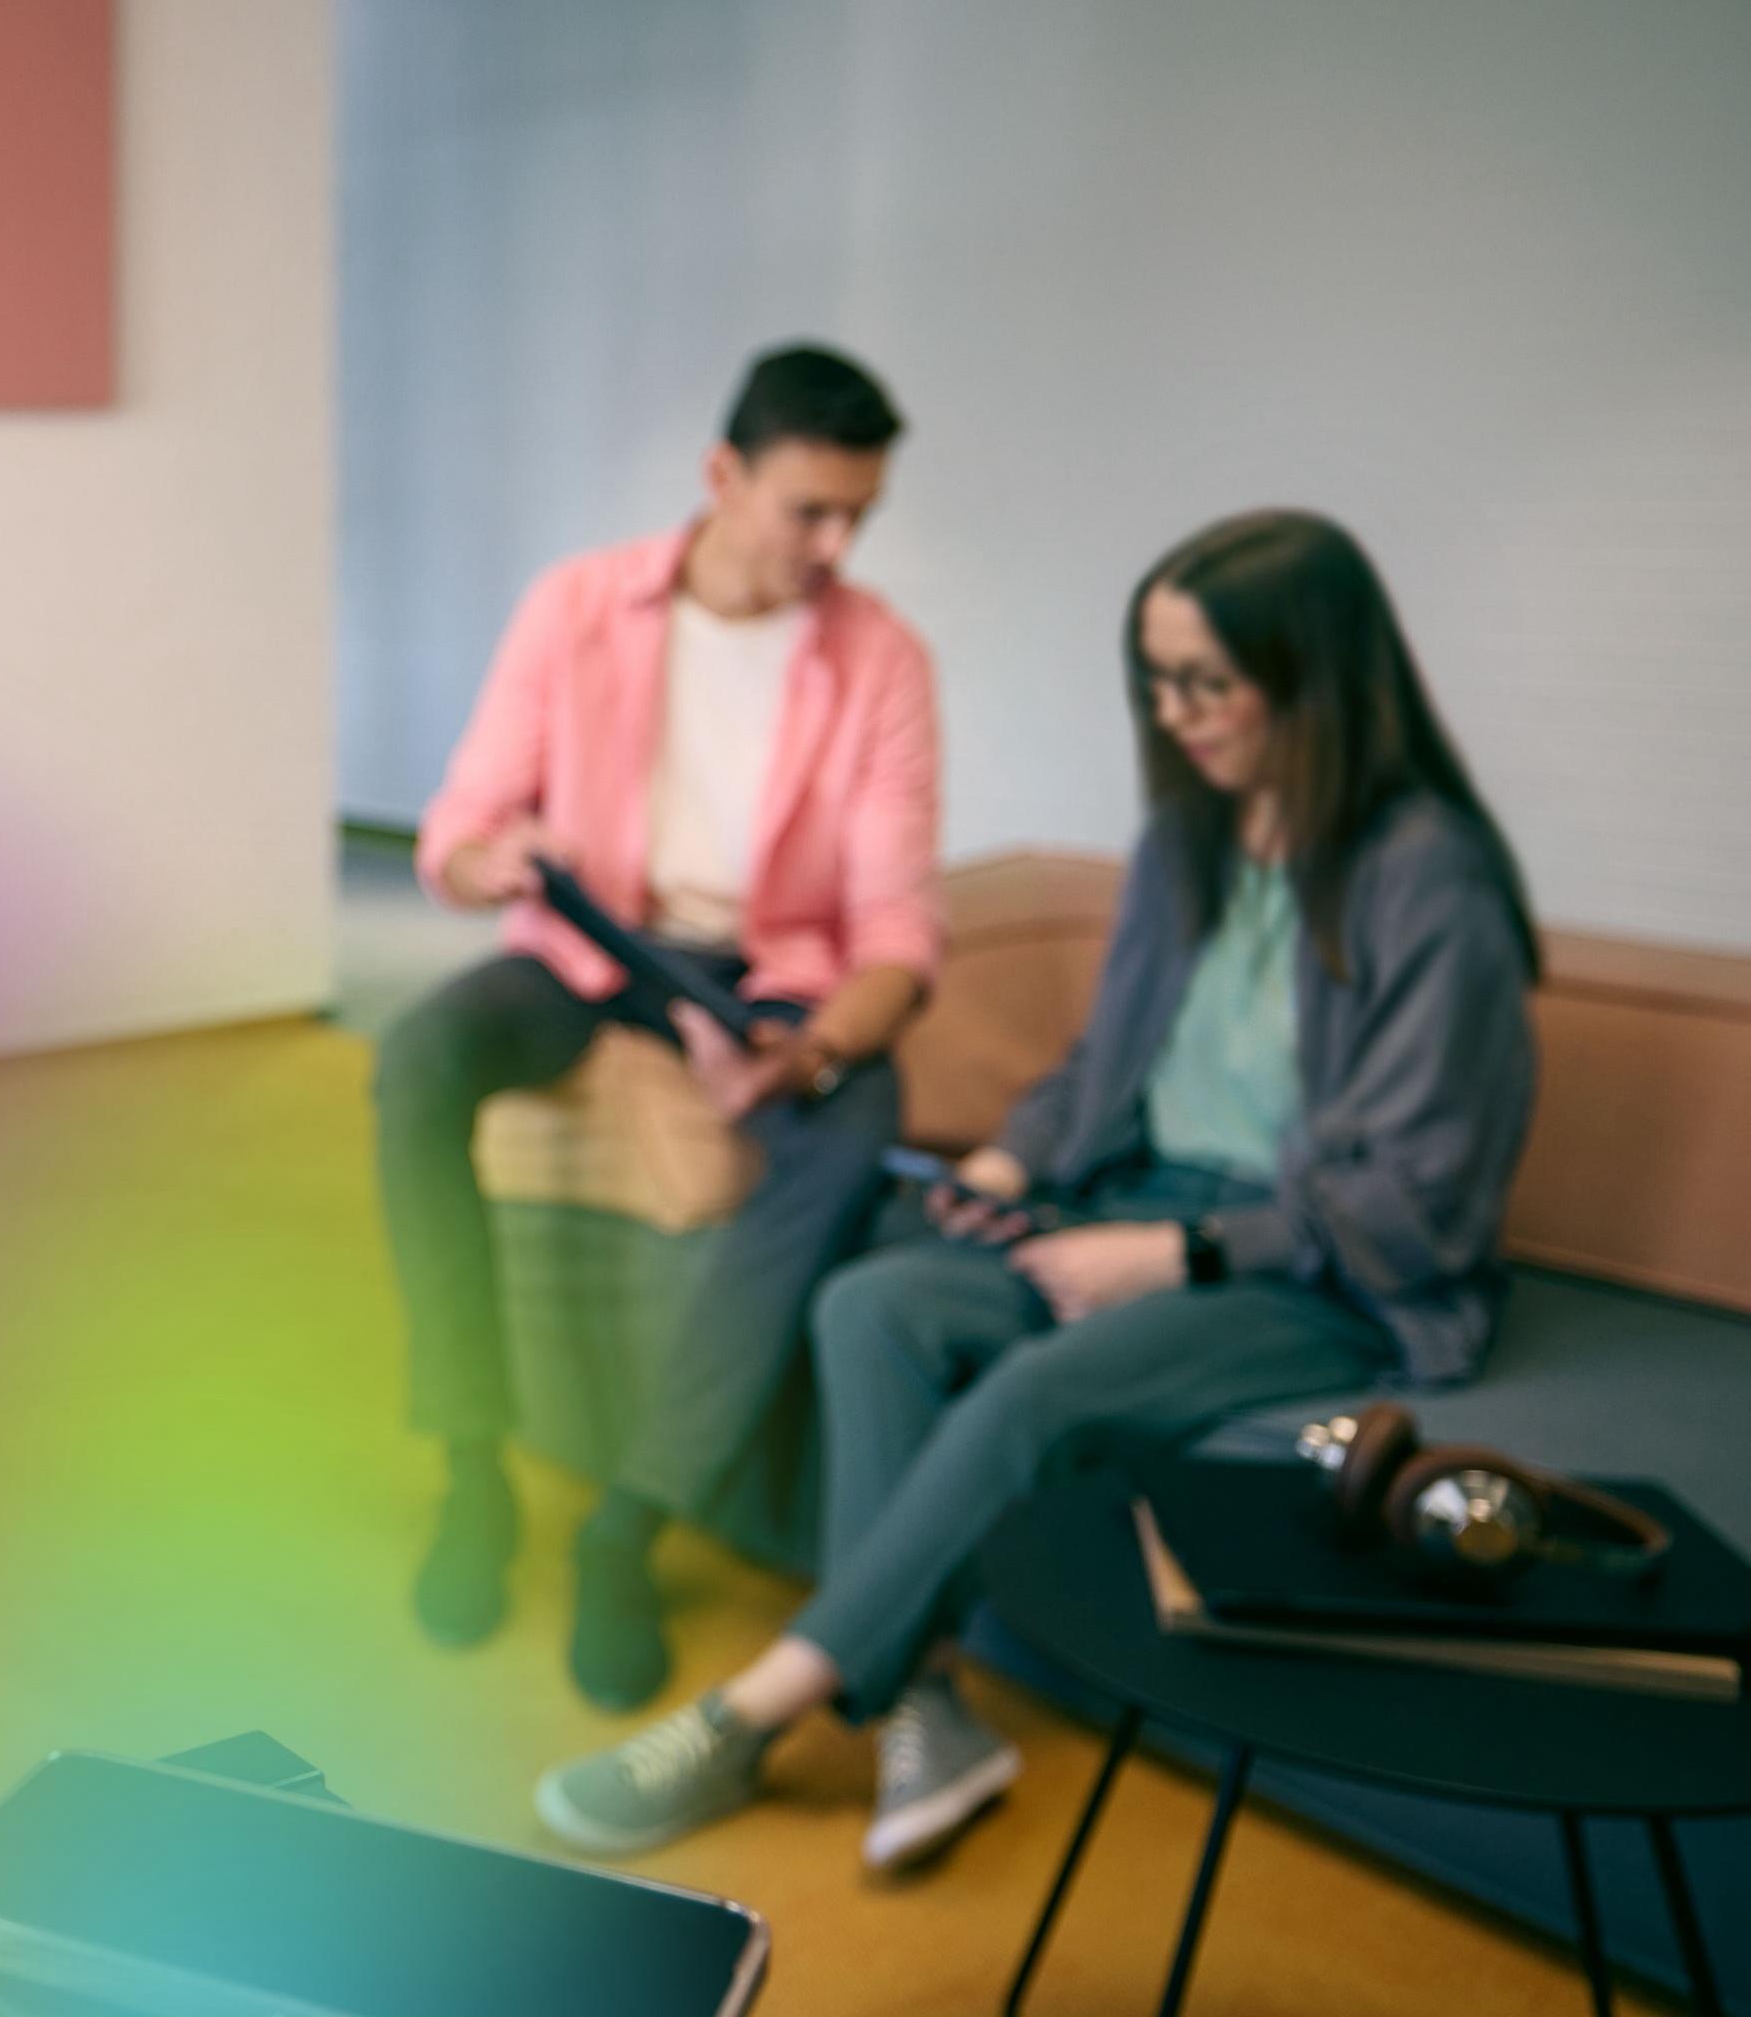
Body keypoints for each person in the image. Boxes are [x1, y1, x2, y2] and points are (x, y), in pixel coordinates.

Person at [533, 509, 1541, 1873]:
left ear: (1311, 675)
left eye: (1205, 683)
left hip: (1327, 1277)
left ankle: (757, 1708)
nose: (1173, 715)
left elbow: (1420, 1198)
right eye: (1156, 681)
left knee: (1029, 1391)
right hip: (1136, 1202)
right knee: (874, 1303)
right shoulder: (1195, 840)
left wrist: (1177, 1256)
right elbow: (1105, 1071)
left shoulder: (1431, 883)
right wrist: (1010, 1163)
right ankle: (925, 1703)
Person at [380, 343, 943, 1709]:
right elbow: (455, 832)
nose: (835, 543)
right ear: (721, 476)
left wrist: (806, 1050)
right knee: (418, 1060)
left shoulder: (881, 659)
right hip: (584, 946)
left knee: (863, 1112)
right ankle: (473, 1466)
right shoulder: (576, 607)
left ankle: (631, 1518)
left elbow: (895, 937)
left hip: (766, 975)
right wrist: (489, 861)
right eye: (809, 509)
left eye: (858, 515)